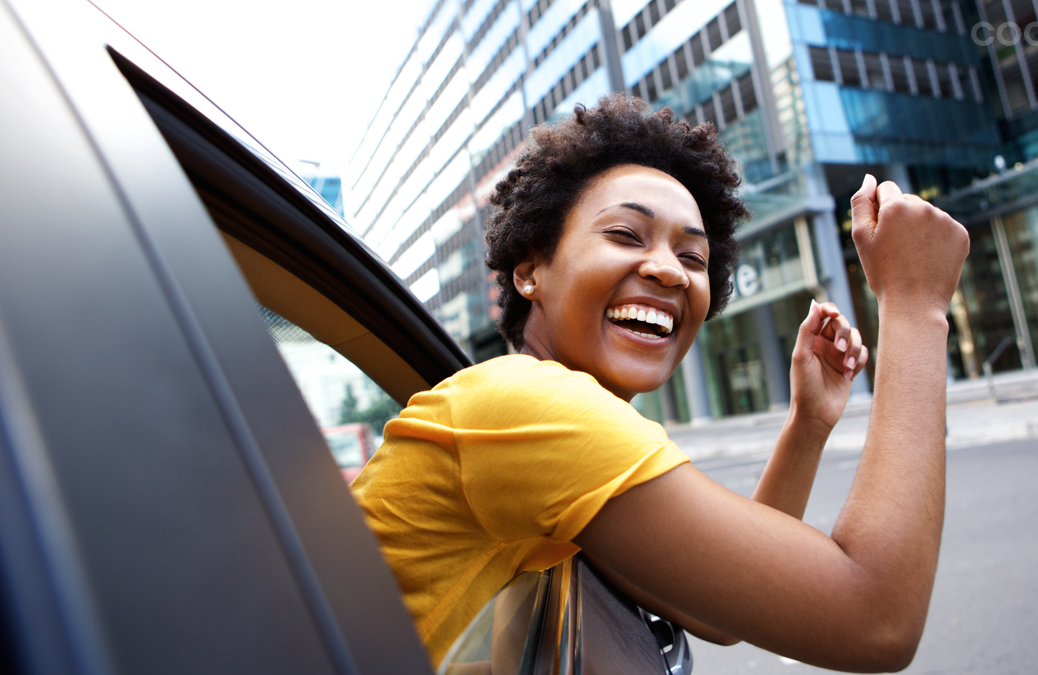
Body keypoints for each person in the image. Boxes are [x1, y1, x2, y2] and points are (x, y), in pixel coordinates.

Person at [352, 94, 969, 672]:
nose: (668, 271)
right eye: (625, 235)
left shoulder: (543, 420)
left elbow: (717, 609)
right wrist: (916, 304)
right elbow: (876, 619)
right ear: (530, 271)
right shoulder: (524, 405)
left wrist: (806, 424)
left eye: (694, 258)